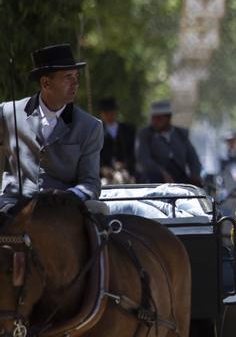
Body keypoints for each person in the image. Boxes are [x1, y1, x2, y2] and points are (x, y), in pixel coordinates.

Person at [0, 44, 104, 212]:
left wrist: (67, 197)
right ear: (46, 82)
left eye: (76, 76)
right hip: (12, 205)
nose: (76, 83)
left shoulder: (91, 127)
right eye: (68, 77)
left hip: (62, 209)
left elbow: (90, 183)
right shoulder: (6, 113)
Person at [135, 100, 203, 186]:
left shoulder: (180, 134)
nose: (155, 121)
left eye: (159, 118)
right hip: (154, 180)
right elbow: (144, 159)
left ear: (168, 118)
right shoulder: (145, 135)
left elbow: (193, 159)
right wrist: (162, 172)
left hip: (179, 178)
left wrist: (195, 175)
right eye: (153, 118)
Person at [97, 97, 137, 181]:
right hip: (104, 173)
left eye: (111, 112)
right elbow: (93, 154)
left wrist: (124, 164)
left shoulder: (128, 130)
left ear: (116, 112)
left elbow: (133, 152)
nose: (109, 115)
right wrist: (102, 168)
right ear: (101, 114)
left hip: (125, 171)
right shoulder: (96, 132)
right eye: (105, 112)